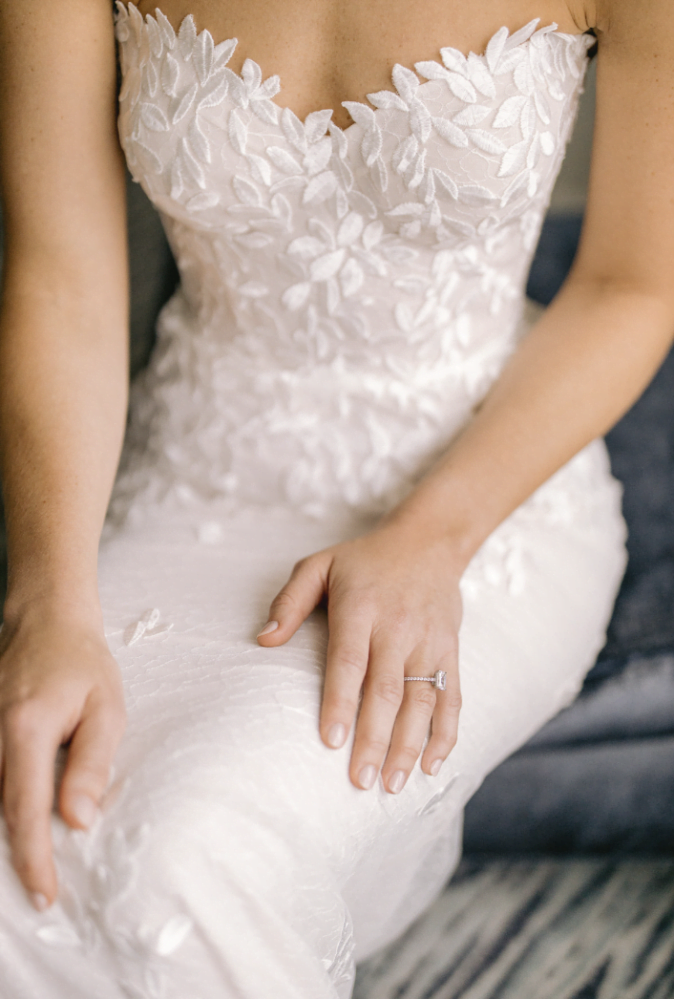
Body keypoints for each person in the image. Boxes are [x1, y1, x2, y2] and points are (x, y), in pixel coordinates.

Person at [0, 0, 671, 994]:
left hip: (484, 507)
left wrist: (431, 540)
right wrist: (47, 603)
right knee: (27, 856)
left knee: (193, 851)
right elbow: (63, 283)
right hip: (186, 481)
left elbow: (631, 286)